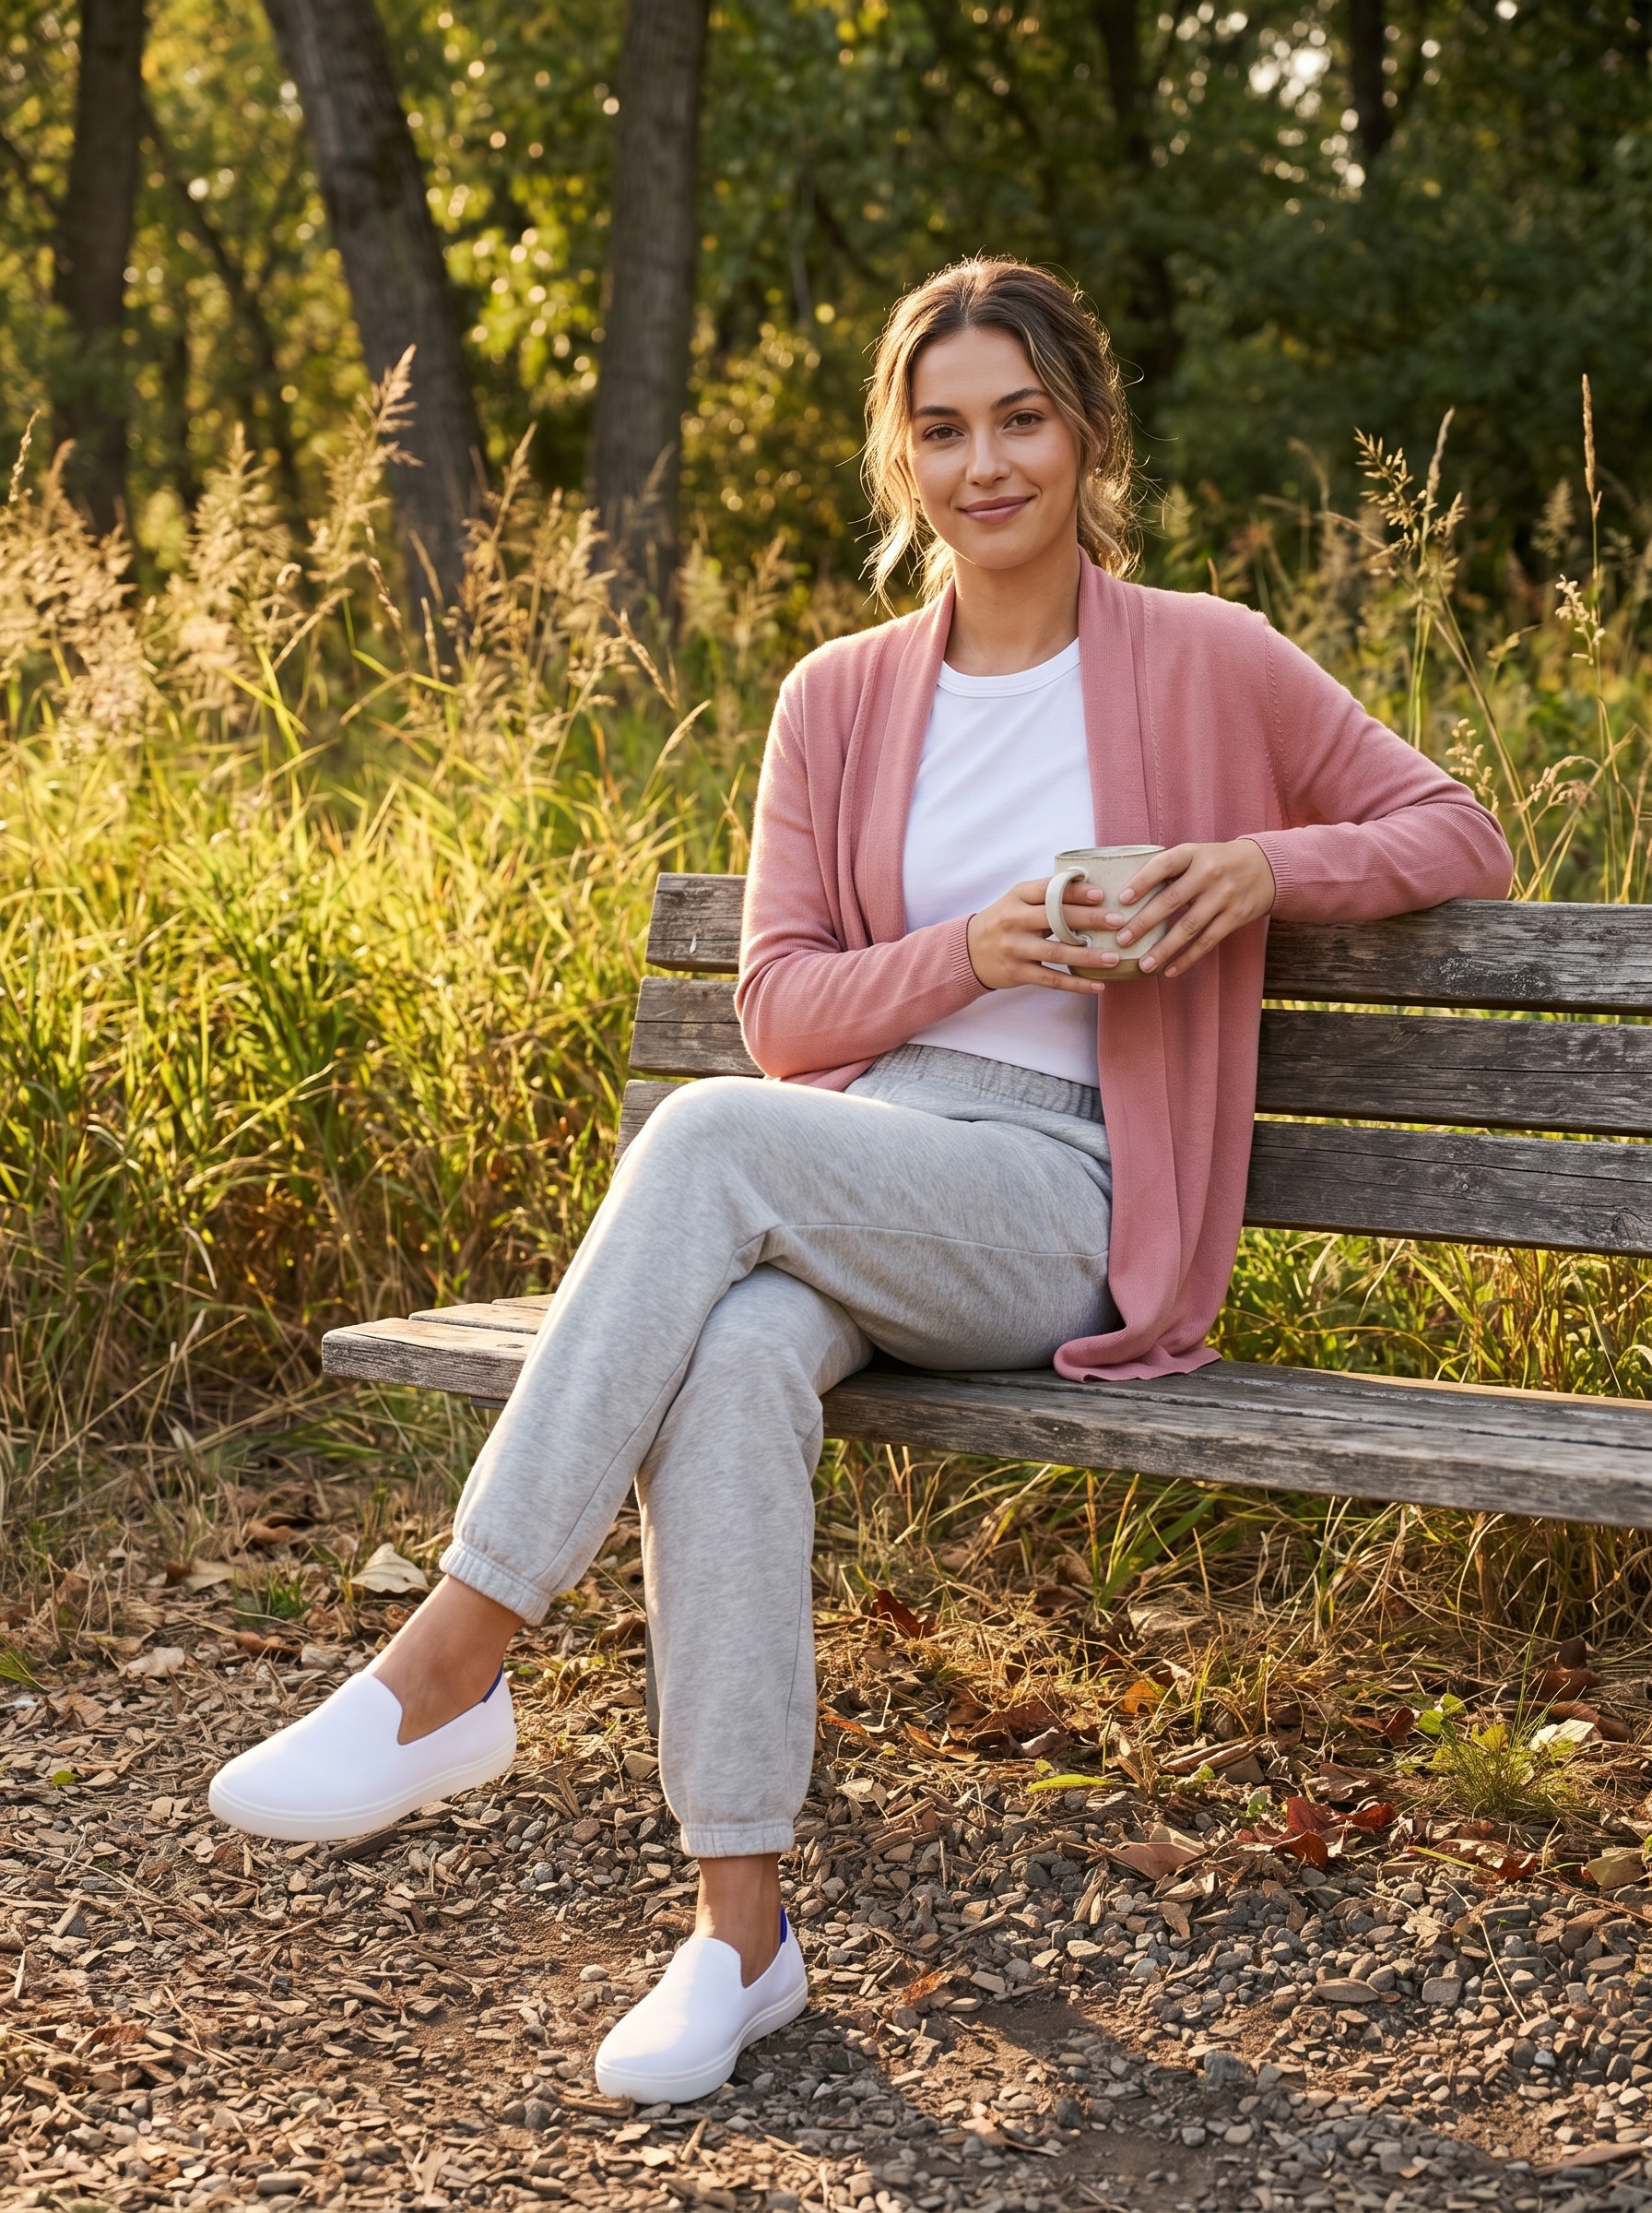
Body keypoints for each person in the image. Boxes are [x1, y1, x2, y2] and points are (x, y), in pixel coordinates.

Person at [208, 257, 1511, 2101]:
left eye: (1019, 420)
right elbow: (782, 1009)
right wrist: (971, 948)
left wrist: (1248, 869)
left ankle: (452, 1659)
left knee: (706, 1136)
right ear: (903, 463)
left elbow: (1456, 829)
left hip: (1061, 1199)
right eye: (942, 428)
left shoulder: (1207, 655)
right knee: (733, 1351)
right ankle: (736, 1936)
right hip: (862, 1155)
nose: (984, 463)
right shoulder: (833, 699)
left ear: (1084, 438)